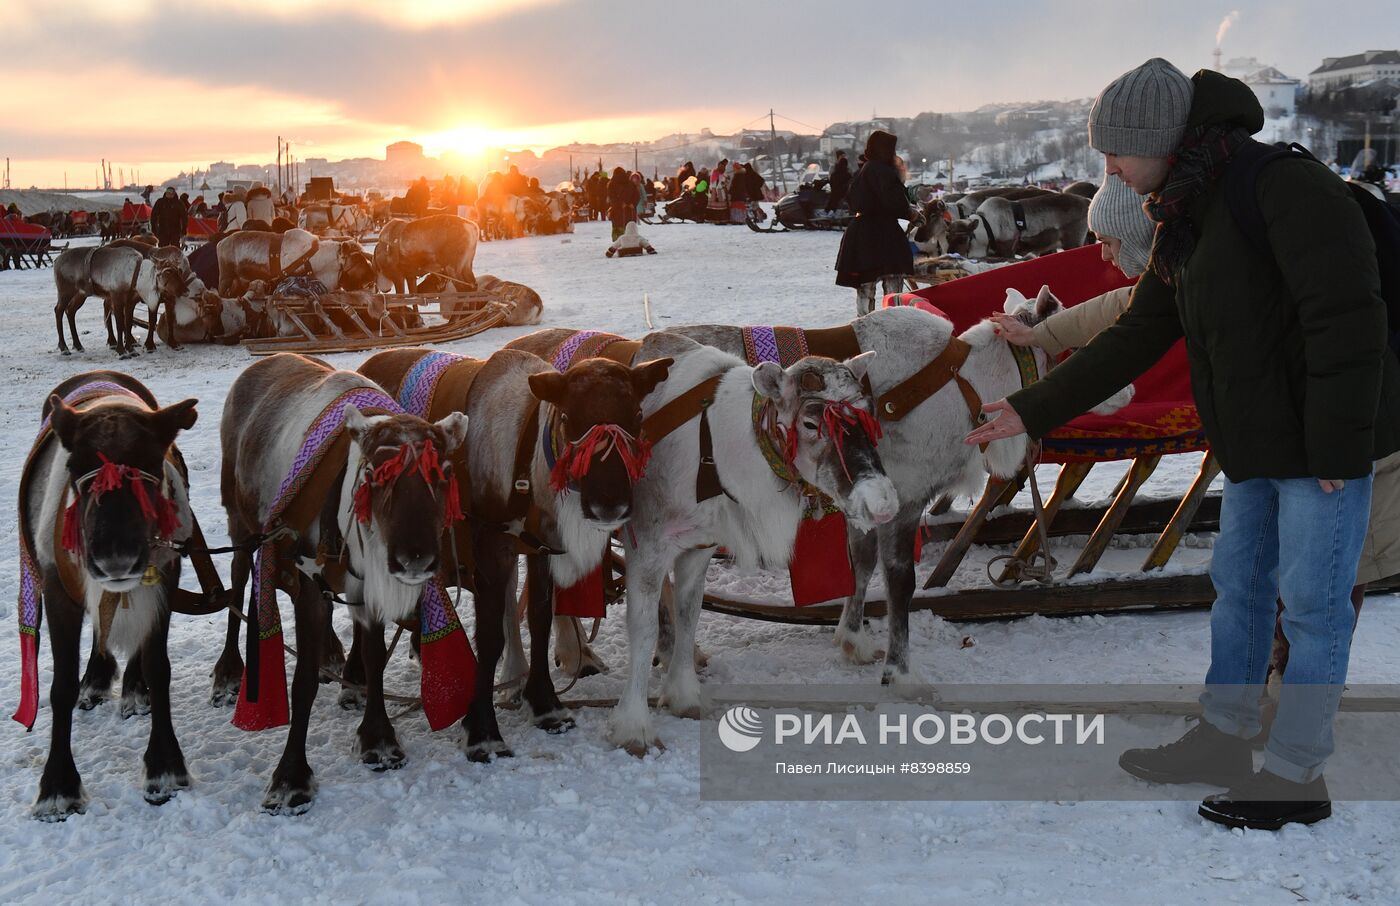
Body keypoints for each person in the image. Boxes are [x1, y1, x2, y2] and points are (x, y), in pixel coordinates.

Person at [965, 58, 1400, 831]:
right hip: (1258, 444)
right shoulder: (1183, 211)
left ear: (1158, 139)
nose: (1109, 172)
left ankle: (1297, 776)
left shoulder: (1285, 188)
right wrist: (1034, 410)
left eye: (1114, 155)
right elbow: (1139, 329)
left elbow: (1349, 320)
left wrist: (1339, 449)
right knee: (1239, 593)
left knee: (1314, 609)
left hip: (1327, 448)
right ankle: (1224, 740)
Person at [989, 173, 1154, 351]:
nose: (1104, 255)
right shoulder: (1158, 285)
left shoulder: (1173, 286)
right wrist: (1035, 335)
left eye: (1107, 242)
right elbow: (1108, 309)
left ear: (1135, 235)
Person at [834, 130, 914, 315]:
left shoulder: (864, 170)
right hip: (883, 234)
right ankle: (893, 322)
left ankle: (865, 324)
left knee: (865, 288)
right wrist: (911, 214)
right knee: (893, 286)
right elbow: (895, 201)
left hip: (860, 232)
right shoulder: (884, 171)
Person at [607, 165, 639, 240]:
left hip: (617, 210)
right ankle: (632, 241)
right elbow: (636, 196)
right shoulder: (630, 183)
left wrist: (620, 203)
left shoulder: (611, 184)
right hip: (630, 210)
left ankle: (619, 242)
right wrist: (632, 203)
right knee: (630, 226)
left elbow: (612, 198)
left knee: (618, 226)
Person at [706, 159, 729, 223]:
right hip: (717, 192)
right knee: (718, 207)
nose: (723, 168)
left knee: (716, 206)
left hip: (715, 191)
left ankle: (716, 219)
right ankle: (718, 219)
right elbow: (719, 183)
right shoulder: (718, 173)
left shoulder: (716, 173)